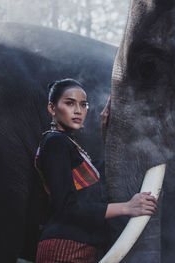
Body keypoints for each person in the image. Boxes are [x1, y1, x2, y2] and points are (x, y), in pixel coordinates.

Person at [34, 78, 157, 263]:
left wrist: (107, 133)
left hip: (80, 245)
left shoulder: (69, 145)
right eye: (69, 103)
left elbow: (99, 181)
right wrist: (127, 207)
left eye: (83, 105)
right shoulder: (55, 142)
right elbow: (67, 208)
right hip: (65, 248)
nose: (78, 111)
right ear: (52, 108)